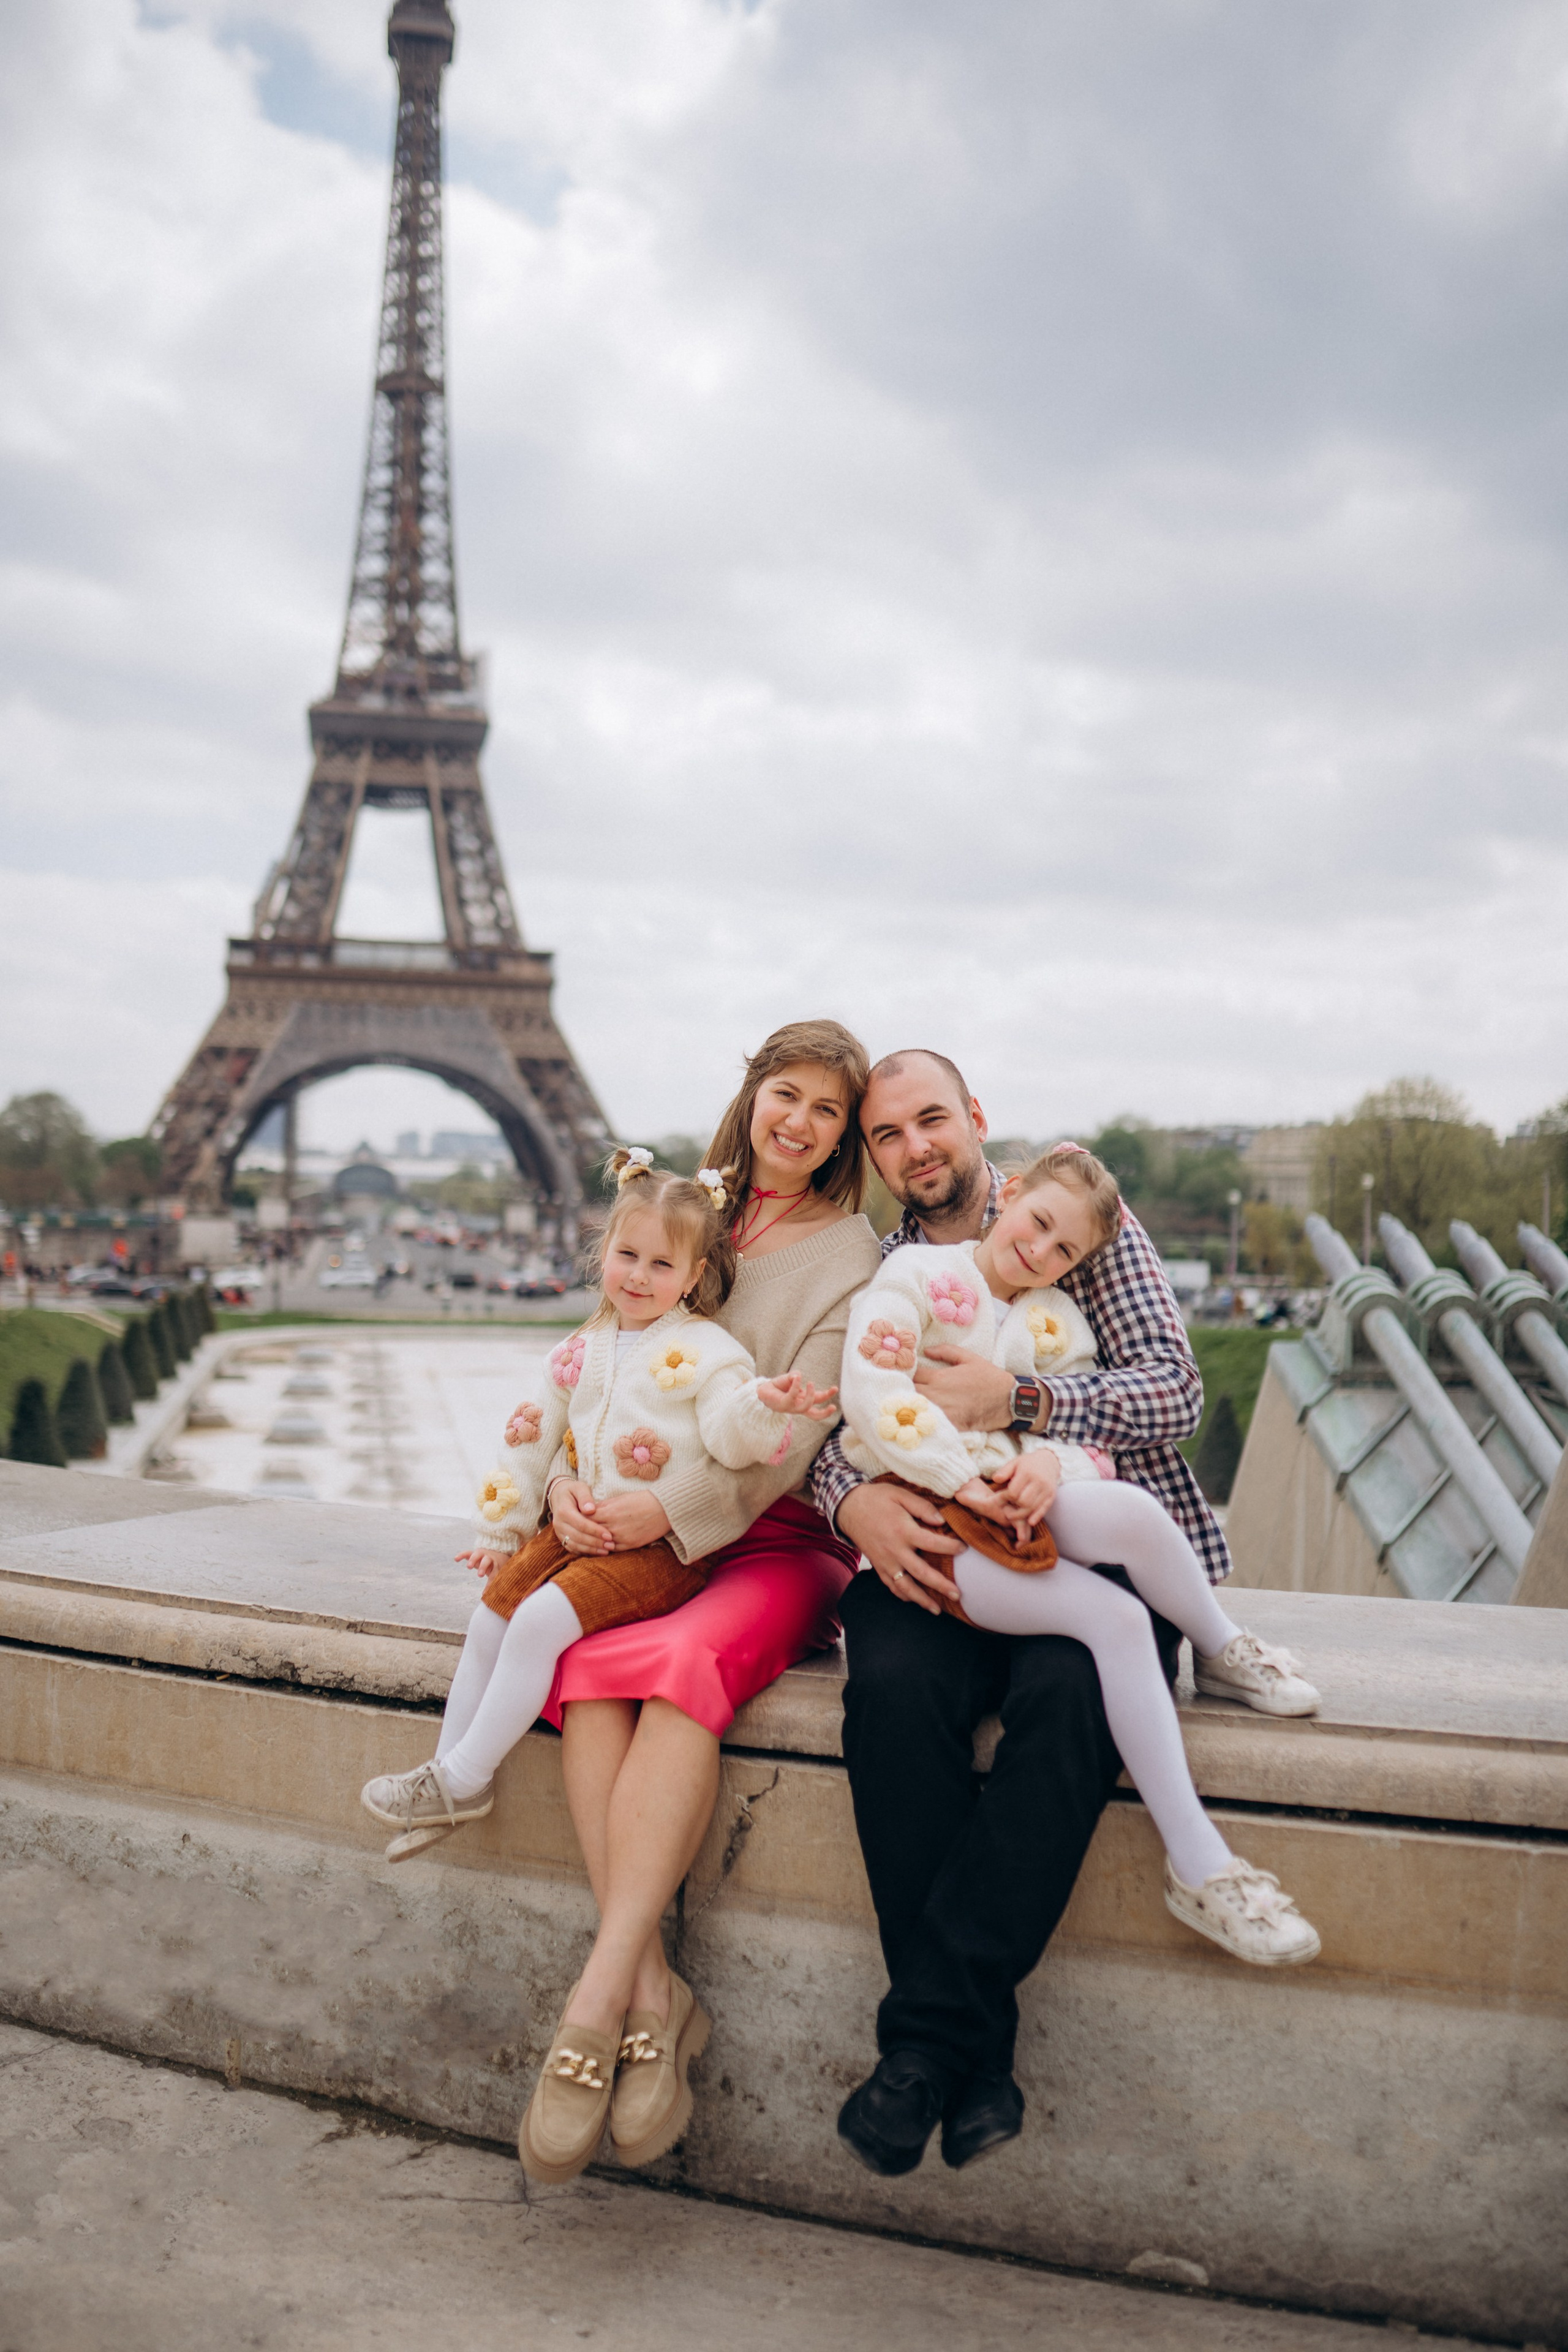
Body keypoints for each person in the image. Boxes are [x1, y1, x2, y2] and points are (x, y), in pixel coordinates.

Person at [816, 1050, 1310, 2179]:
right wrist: (859, 1508)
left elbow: (1173, 1390)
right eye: (888, 1136)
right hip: (939, 1539)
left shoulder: (1078, 1213)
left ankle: (928, 2055)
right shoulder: (888, 1273)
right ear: (874, 1156)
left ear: (977, 1119)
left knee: (1072, 1693)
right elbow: (834, 1428)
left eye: (931, 1120)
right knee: (892, 1693)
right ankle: (973, 2058)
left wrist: (1028, 1408)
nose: (915, 1149)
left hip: (1085, 1521)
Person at [361, 1148, 839, 2180]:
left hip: (661, 1550)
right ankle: (450, 1776)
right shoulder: (584, 1345)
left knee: (537, 1632)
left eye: (658, 1267)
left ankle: (474, 1786)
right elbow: (532, 1438)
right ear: (602, 1255)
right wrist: (513, 1519)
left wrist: (776, 1407)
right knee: (496, 1613)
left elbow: (736, 1427)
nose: (636, 1277)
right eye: (624, 1256)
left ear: (694, 1277)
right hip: (578, 1526)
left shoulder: (707, 1353)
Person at [490, 1022, 881, 2180]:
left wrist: (670, 1516)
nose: (798, 1122)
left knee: (668, 1672)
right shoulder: (687, 1210)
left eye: (826, 1109)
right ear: (754, 1096)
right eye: (785, 1094)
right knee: (585, 1679)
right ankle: (658, 1994)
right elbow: (595, 1360)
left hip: (766, 1539)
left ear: (843, 1135)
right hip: (634, 1532)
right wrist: (565, 1479)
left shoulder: (851, 1256)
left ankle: (598, 1996)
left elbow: (799, 1430)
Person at [837, 1136, 1321, 1970]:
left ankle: (1221, 1650)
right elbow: (873, 1400)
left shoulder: (1054, 1319)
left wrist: (1043, 1464)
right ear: (1011, 1191)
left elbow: (1085, 1442)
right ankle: (1203, 1865)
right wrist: (962, 1480)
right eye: (1039, 1223)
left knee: (1131, 1510)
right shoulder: (912, 1279)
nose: (1042, 1251)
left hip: (1014, 1508)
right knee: (1116, 1621)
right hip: (942, 1527)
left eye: (1065, 1249)